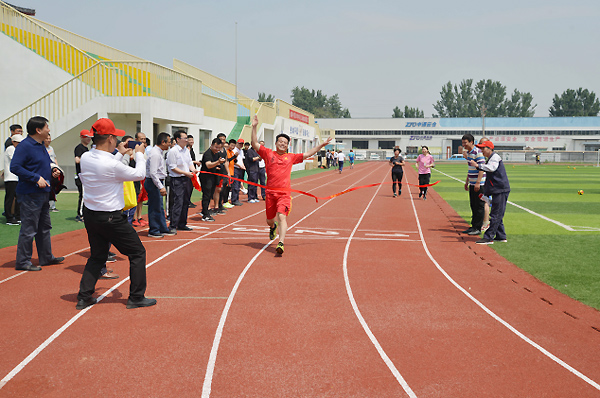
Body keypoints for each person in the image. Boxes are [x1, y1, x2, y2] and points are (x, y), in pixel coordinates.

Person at [75, 118, 155, 310]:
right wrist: (140, 155)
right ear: (110, 138)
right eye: (116, 137)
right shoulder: (110, 165)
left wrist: (120, 152)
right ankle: (136, 297)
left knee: (97, 256)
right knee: (137, 253)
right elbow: (139, 175)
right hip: (111, 217)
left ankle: (84, 296)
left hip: (92, 214)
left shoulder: (87, 157)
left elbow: (108, 164)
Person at [251, 116, 332, 255]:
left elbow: (307, 154)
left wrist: (322, 145)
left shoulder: (291, 157)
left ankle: (281, 243)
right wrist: (254, 127)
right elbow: (254, 144)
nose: (282, 144)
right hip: (270, 193)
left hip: (284, 194)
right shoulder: (268, 153)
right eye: (280, 141)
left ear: (288, 145)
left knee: (282, 216)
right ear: (276, 143)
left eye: (285, 142)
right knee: (270, 220)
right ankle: (273, 227)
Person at [10, 116, 64, 271]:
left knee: (44, 227)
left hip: (42, 193)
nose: (49, 129)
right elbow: (15, 167)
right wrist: (36, 177)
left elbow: (42, 164)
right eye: (46, 127)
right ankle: (22, 261)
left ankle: (46, 257)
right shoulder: (25, 146)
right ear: (38, 130)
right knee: (29, 229)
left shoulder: (40, 145)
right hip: (30, 193)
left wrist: (52, 171)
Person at [468, 140, 510, 245]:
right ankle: (501, 236)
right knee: (497, 214)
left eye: (483, 148)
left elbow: (491, 168)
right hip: (497, 190)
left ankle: (488, 237)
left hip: (500, 190)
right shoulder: (491, 158)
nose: (481, 151)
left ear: (490, 148)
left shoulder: (495, 158)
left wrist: (478, 166)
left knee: (496, 214)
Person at [145, 132, 177, 238]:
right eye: (168, 142)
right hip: (154, 182)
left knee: (159, 206)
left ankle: (162, 228)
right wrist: (161, 186)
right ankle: (154, 230)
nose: (170, 144)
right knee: (155, 206)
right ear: (162, 142)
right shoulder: (155, 153)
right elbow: (153, 173)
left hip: (157, 181)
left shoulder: (159, 152)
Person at [167, 130, 197, 231]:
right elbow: (173, 168)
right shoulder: (173, 151)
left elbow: (189, 162)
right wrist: (186, 173)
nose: (187, 140)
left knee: (185, 202)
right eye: (185, 138)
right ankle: (173, 225)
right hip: (177, 180)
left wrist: (193, 170)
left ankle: (182, 223)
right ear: (178, 139)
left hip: (187, 178)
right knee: (177, 202)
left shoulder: (186, 151)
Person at [461, 134, 486, 235]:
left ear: (471, 142)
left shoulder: (478, 152)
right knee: (473, 205)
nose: (463, 145)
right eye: (462, 143)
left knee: (479, 206)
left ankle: (478, 228)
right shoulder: (469, 153)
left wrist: (478, 182)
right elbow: (470, 168)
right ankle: (473, 226)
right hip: (472, 183)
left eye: (465, 143)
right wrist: (467, 181)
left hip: (479, 184)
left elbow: (481, 168)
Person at [199, 138, 226, 222]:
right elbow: (208, 165)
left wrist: (219, 165)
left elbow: (218, 164)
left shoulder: (217, 153)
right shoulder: (208, 153)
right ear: (212, 145)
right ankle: (205, 214)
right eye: (216, 147)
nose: (217, 149)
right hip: (206, 177)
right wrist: (217, 162)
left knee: (210, 194)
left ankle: (206, 211)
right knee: (206, 195)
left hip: (213, 176)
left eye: (219, 148)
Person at [4, 133, 23, 225]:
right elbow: (16, 160)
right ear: (13, 142)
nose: (19, 144)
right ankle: (9, 218)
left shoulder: (16, 149)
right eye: (18, 142)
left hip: (16, 177)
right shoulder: (11, 148)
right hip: (11, 177)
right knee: (10, 198)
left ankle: (17, 216)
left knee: (17, 198)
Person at [74, 129, 93, 222]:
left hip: (85, 176)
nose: (88, 138)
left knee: (85, 195)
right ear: (81, 137)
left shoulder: (86, 148)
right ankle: (80, 214)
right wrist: (88, 159)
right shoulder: (80, 148)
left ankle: (84, 213)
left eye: (89, 136)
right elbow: (77, 160)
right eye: (86, 136)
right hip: (80, 176)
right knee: (83, 195)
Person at [44, 133, 59, 212]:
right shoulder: (42, 148)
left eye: (49, 138)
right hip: (46, 171)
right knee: (47, 188)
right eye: (47, 139)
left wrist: (57, 167)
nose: (49, 140)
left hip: (54, 170)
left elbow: (54, 158)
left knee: (54, 188)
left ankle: (52, 206)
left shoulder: (51, 148)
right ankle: (46, 206)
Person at [230, 138, 246, 206]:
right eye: (239, 143)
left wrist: (243, 166)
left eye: (242, 144)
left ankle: (236, 199)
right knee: (235, 185)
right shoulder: (234, 150)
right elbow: (232, 161)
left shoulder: (241, 151)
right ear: (237, 143)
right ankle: (234, 200)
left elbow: (241, 159)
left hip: (240, 169)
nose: (241, 145)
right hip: (235, 168)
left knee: (239, 184)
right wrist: (239, 165)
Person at [187, 134, 199, 208]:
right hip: (187, 171)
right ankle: (187, 201)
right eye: (190, 140)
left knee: (191, 186)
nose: (191, 141)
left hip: (192, 170)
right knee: (188, 186)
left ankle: (189, 200)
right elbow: (188, 161)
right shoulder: (186, 150)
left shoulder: (191, 149)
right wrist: (195, 162)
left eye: (192, 140)